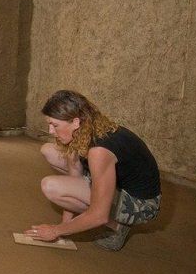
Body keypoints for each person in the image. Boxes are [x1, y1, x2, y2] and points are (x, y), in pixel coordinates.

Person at [25, 90, 161, 251]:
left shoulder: (99, 151)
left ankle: (118, 227)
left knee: (51, 186)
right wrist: (65, 224)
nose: (50, 131)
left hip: (142, 204)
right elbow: (74, 177)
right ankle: (95, 212)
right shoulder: (85, 129)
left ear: (75, 122)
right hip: (119, 182)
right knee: (48, 150)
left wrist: (55, 231)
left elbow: (99, 215)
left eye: (55, 125)